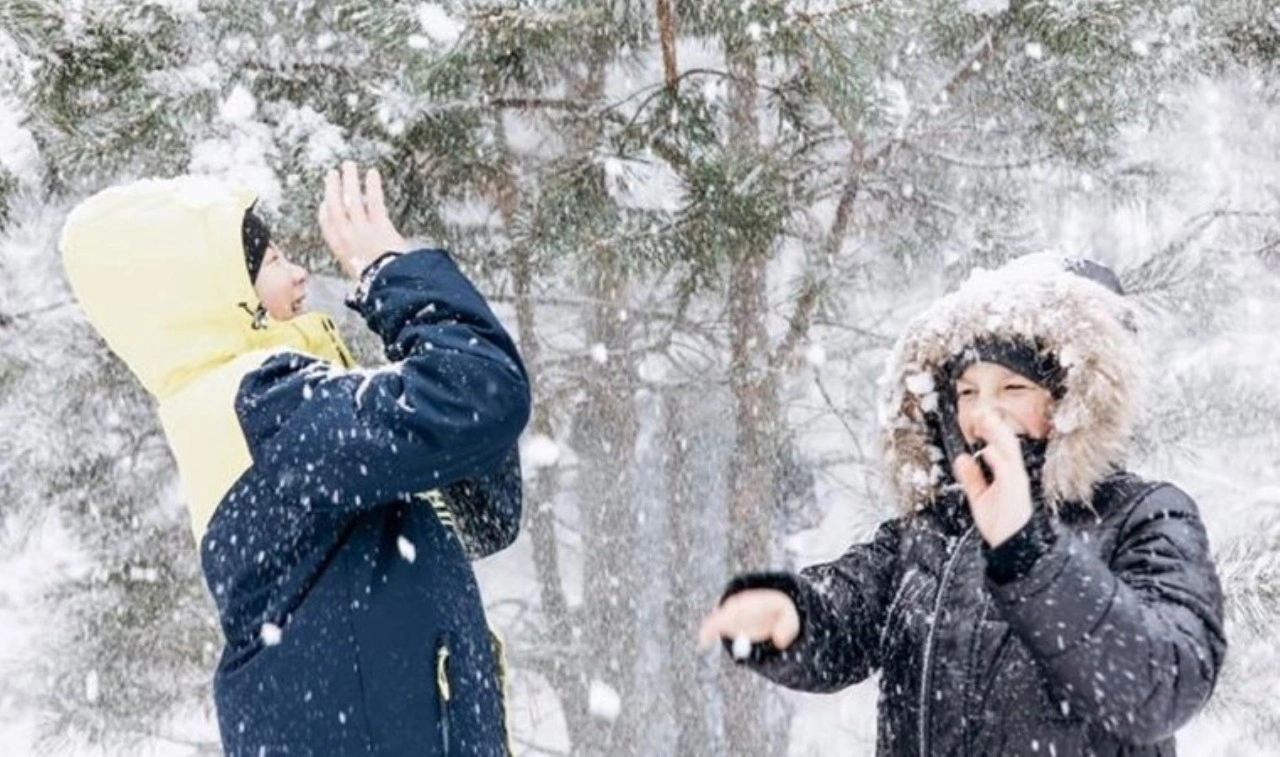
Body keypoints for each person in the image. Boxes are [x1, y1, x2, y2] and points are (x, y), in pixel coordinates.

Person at [60, 162, 530, 756]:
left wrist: (414, 345)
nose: (302, 274)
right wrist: (392, 274)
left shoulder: (281, 406)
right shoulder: (264, 405)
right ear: (219, 294)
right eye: (275, 261)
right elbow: (482, 395)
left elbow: (484, 513)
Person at [699, 254, 1227, 755]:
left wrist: (1028, 553)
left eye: (1013, 387)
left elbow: (1163, 683)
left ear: (1074, 398)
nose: (984, 414)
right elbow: (844, 614)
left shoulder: (1146, 517)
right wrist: (792, 614)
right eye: (968, 392)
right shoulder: (929, 534)